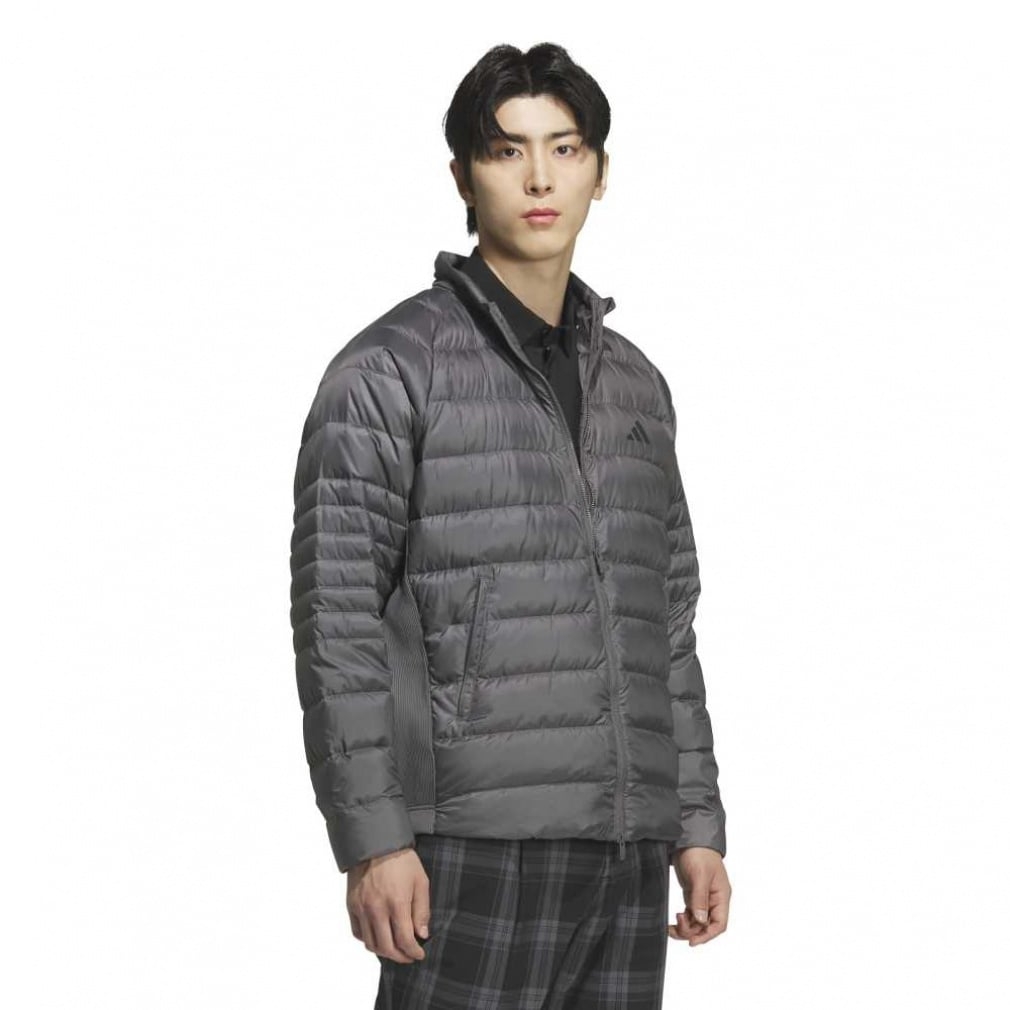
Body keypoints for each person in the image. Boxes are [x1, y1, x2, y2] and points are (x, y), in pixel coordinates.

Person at [288, 41, 731, 1009]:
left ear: (599, 172)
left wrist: (694, 820)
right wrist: (374, 838)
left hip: (624, 842)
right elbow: (337, 620)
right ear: (462, 175)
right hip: (464, 839)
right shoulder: (387, 371)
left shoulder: (636, 385)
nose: (539, 178)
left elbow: (666, 620)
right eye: (506, 150)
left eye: (564, 149)